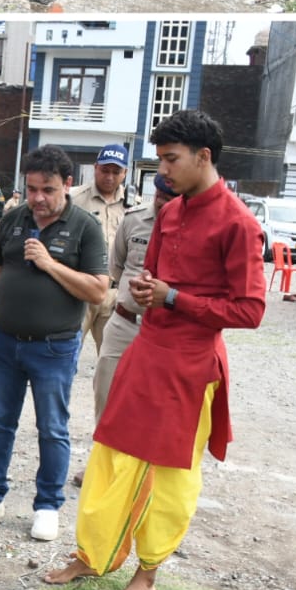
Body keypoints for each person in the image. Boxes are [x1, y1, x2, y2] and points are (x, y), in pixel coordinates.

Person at [45, 111, 265, 590]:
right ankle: (92, 553)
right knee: (110, 453)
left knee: (170, 475)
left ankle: (148, 572)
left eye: (171, 159)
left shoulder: (239, 224)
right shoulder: (168, 212)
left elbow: (250, 310)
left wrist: (173, 298)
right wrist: (148, 292)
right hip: (147, 349)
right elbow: (158, 282)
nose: (162, 170)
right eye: (160, 159)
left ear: (203, 157)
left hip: (190, 366)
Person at [0, 146, 108, 541]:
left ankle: (47, 505)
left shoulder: (85, 227)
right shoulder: (11, 221)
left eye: (48, 189)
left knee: (52, 428)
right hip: (4, 344)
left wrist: (49, 263)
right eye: (31, 189)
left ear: (67, 185)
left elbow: (97, 291)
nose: (39, 198)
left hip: (54, 348)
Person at [91, 173, 176, 423]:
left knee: (154, 408)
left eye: (169, 198)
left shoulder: (193, 229)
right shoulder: (134, 219)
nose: (161, 202)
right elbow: (117, 267)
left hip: (164, 331)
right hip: (124, 324)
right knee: (106, 396)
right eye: (159, 196)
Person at [69, 142, 132, 352]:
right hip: (80, 292)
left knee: (112, 363)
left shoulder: (134, 206)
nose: (109, 177)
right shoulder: (73, 199)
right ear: (95, 167)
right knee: (65, 355)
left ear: (125, 173)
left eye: (116, 172)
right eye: (105, 170)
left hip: (114, 296)